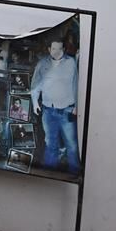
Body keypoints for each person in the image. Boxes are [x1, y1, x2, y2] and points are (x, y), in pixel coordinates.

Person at [30, 37, 81, 172]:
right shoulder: (42, 64)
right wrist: (35, 102)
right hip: (48, 111)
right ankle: (50, 171)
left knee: (71, 144)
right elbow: (35, 85)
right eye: (54, 48)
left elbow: (76, 85)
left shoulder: (71, 63)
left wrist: (77, 106)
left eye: (59, 49)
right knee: (50, 143)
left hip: (67, 110)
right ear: (49, 50)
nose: (57, 51)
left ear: (63, 50)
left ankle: (75, 171)